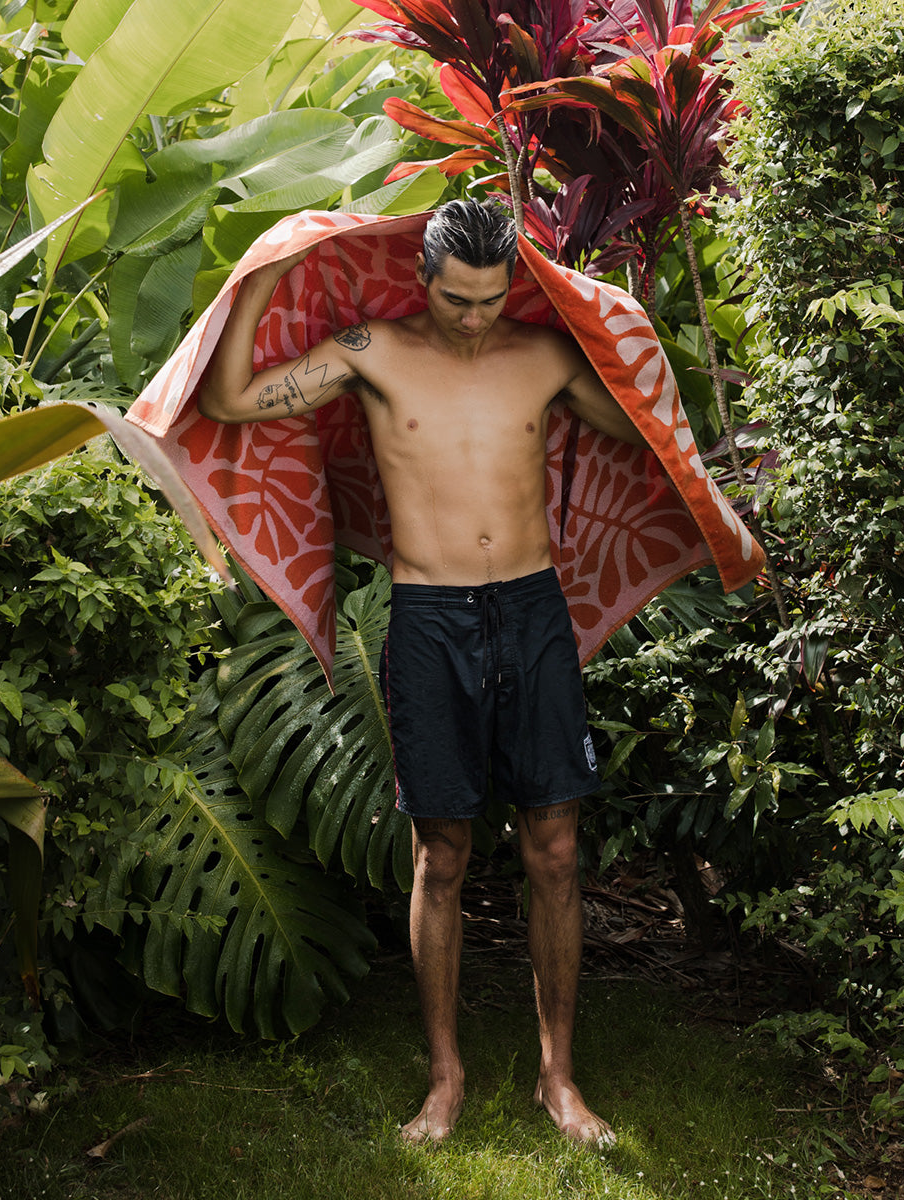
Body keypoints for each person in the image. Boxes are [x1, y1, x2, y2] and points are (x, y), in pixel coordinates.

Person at [197, 199, 648, 1148]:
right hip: (431, 615)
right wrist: (269, 279)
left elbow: (645, 434)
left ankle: (557, 1077)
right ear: (424, 281)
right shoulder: (373, 351)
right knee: (441, 854)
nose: (475, 318)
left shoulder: (544, 355)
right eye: (456, 299)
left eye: (491, 299)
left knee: (555, 849)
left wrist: (602, 323)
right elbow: (234, 400)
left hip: (532, 611)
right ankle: (445, 1076)